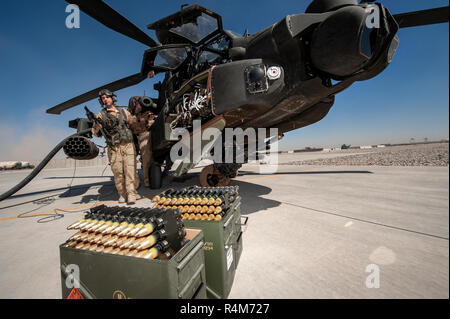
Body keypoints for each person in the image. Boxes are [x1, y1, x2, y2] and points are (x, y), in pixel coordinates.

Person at [91, 89, 139, 204]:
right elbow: (95, 133)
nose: (105, 99)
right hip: (114, 147)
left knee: (130, 169)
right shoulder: (101, 115)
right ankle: (122, 193)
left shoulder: (124, 112)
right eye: (103, 98)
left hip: (128, 145)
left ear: (112, 98)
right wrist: (97, 126)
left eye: (107, 97)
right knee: (118, 172)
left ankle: (131, 193)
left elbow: (134, 125)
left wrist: (139, 115)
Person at [128, 96, 156, 187]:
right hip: (135, 137)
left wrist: (150, 121)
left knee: (146, 156)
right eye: (136, 104)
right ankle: (141, 180)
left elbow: (153, 122)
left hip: (146, 134)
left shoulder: (147, 114)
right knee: (137, 158)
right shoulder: (130, 116)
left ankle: (147, 179)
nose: (139, 106)